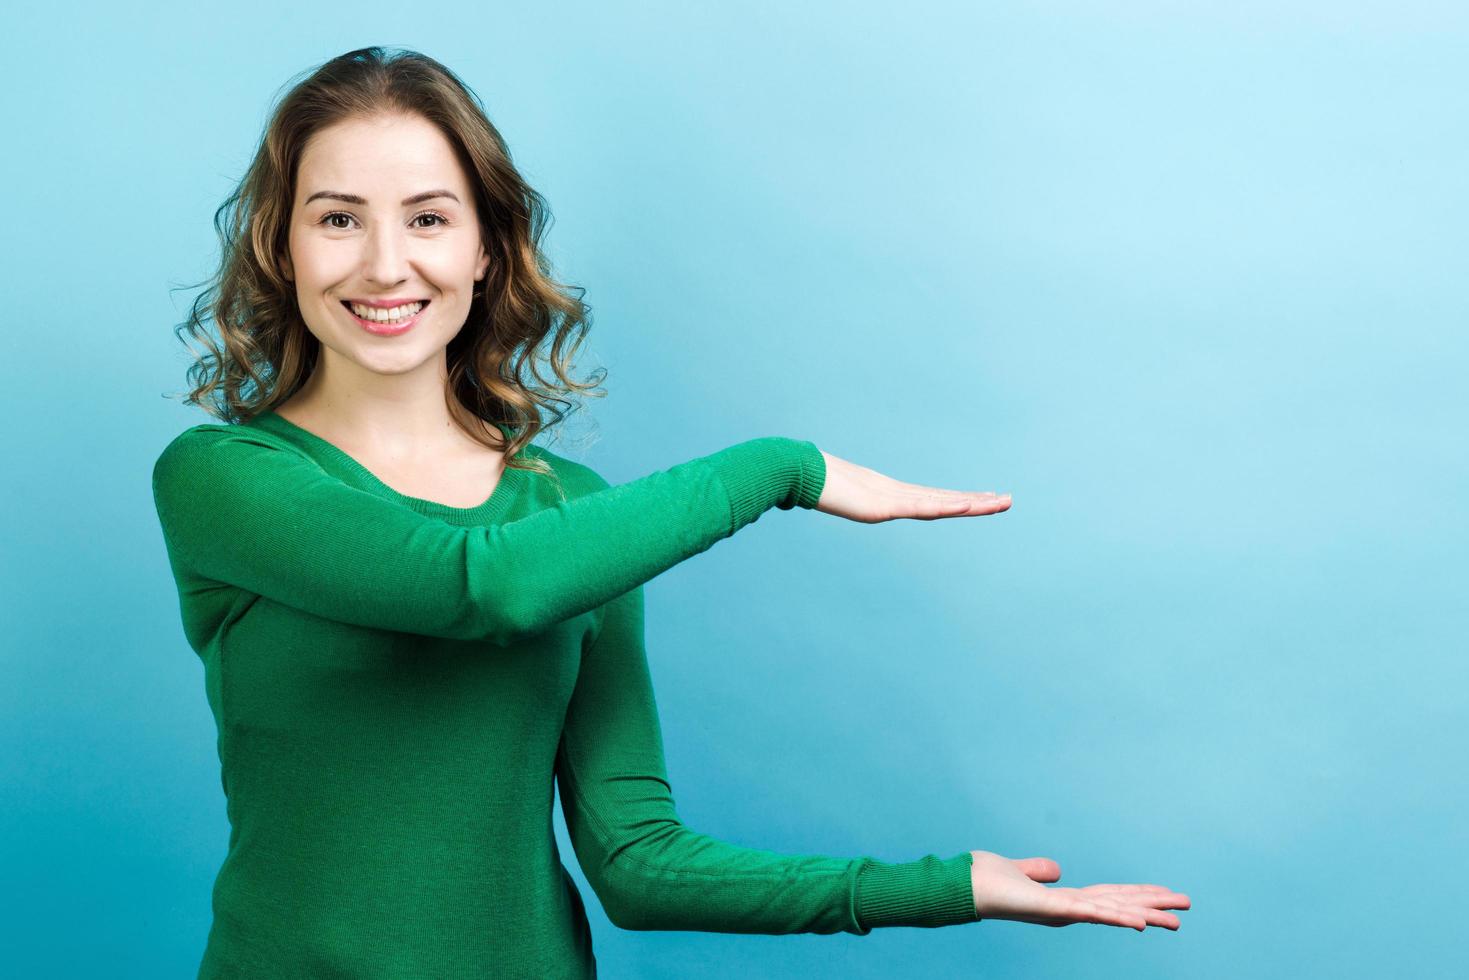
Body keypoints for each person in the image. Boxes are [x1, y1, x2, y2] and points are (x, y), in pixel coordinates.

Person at [152, 46, 1189, 979]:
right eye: (338, 217)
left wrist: (945, 885)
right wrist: (783, 466)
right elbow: (482, 586)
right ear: (283, 247)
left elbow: (637, 863)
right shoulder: (224, 477)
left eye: (427, 216)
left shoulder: (575, 513)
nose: (385, 263)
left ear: (484, 248)